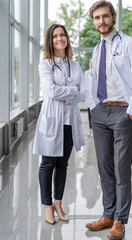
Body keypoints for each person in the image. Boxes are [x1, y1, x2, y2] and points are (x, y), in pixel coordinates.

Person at [85, 1, 132, 240]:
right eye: (97, 18)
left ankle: (120, 220)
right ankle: (107, 213)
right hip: (100, 113)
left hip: (122, 112)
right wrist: (93, 108)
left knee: (121, 168)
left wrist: (131, 112)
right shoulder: (97, 48)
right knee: (104, 167)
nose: (101, 21)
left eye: (105, 16)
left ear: (113, 18)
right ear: (93, 21)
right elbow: (95, 80)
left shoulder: (130, 43)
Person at [33, 24, 86, 225]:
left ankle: (58, 203)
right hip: (52, 119)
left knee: (63, 165)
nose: (59, 39)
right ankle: (47, 206)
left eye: (62, 35)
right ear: (50, 40)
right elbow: (51, 91)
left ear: (66, 38)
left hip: (69, 121)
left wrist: (69, 92)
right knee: (48, 164)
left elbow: (83, 92)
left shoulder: (75, 65)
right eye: (55, 36)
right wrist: (73, 90)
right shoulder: (45, 64)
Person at [84, 58, 93, 139]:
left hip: (95, 99)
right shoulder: (86, 73)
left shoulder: (98, 73)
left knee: (95, 115)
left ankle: (95, 131)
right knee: (89, 115)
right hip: (88, 97)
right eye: (90, 62)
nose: (91, 64)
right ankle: (90, 130)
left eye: (92, 63)